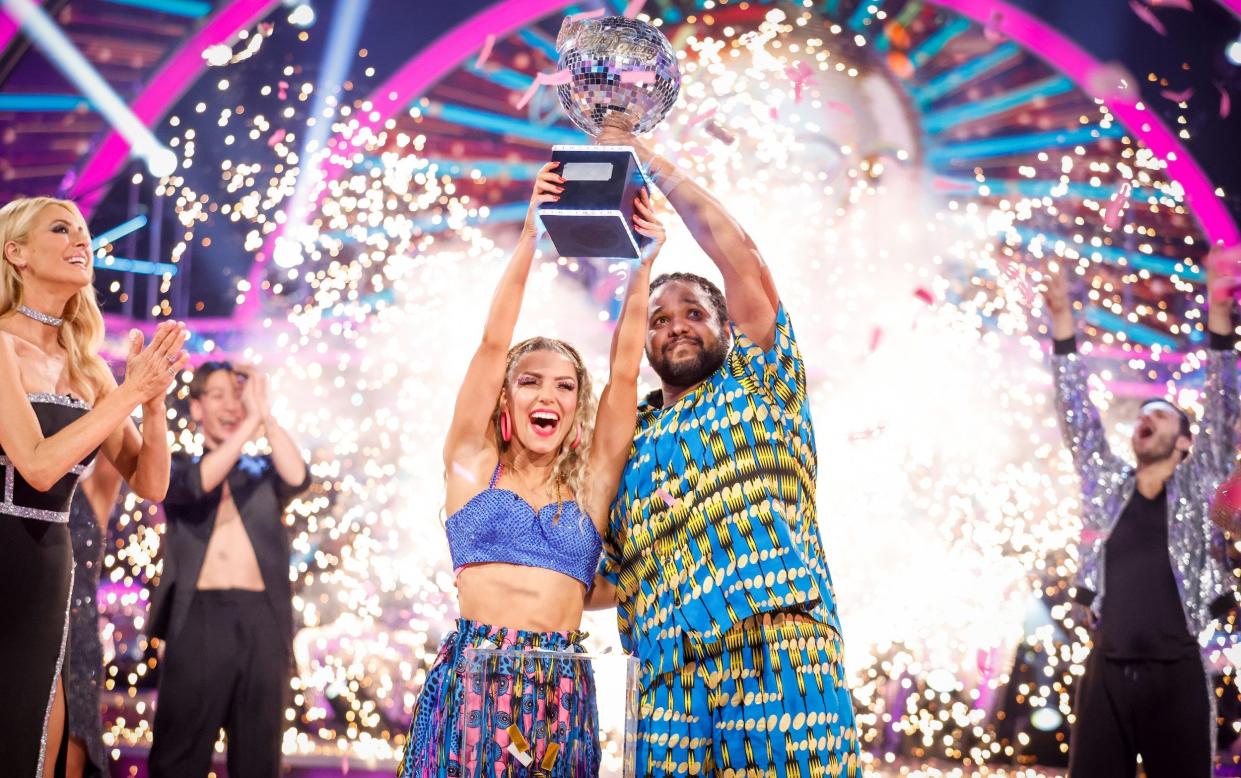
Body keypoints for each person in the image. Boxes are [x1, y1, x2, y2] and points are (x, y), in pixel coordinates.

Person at [588, 118, 861, 776]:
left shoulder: (762, 382)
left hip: (776, 653)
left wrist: (642, 156)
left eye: (693, 312)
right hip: (662, 679)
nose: (675, 324)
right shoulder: (625, 439)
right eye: (658, 318)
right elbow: (604, 578)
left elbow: (734, 250)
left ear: (727, 327)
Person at [398, 162, 665, 777]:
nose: (548, 395)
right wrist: (528, 239)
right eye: (530, 382)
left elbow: (625, 373)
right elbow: (494, 344)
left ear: (576, 407)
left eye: (565, 386)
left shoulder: (591, 484)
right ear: (505, 399)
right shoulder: (471, 465)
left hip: (561, 690)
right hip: (471, 686)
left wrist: (643, 264)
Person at [0, 196, 187, 778]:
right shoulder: (0, 343)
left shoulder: (88, 367)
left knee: (28, 730)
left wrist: (152, 403)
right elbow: (35, 465)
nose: (82, 238)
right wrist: (129, 393)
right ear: (17, 253)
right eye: (61, 228)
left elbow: (151, 483)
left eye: (83, 229)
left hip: (49, 560)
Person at [1043, 257, 1239, 777]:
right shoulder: (1107, 487)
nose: (1145, 418)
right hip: (1104, 672)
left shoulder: (1198, 488)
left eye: (1161, 414)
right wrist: (1063, 326)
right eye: (1143, 413)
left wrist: (1220, 318)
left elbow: (1223, 412)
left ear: (1184, 441)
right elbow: (1077, 417)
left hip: (1177, 676)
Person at [147, 363, 311, 778]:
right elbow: (199, 483)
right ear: (197, 408)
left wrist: (265, 415)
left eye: (238, 396)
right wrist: (250, 422)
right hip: (199, 620)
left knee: (259, 756)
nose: (231, 406)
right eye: (218, 395)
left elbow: (299, 476)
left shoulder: (260, 471)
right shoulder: (177, 465)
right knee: (178, 755)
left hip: (262, 621)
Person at [67, 455, 123, 778]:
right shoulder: (20, 486)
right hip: (25, 627)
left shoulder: (95, 488)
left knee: (73, 749)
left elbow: (113, 418)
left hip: (79, 641)